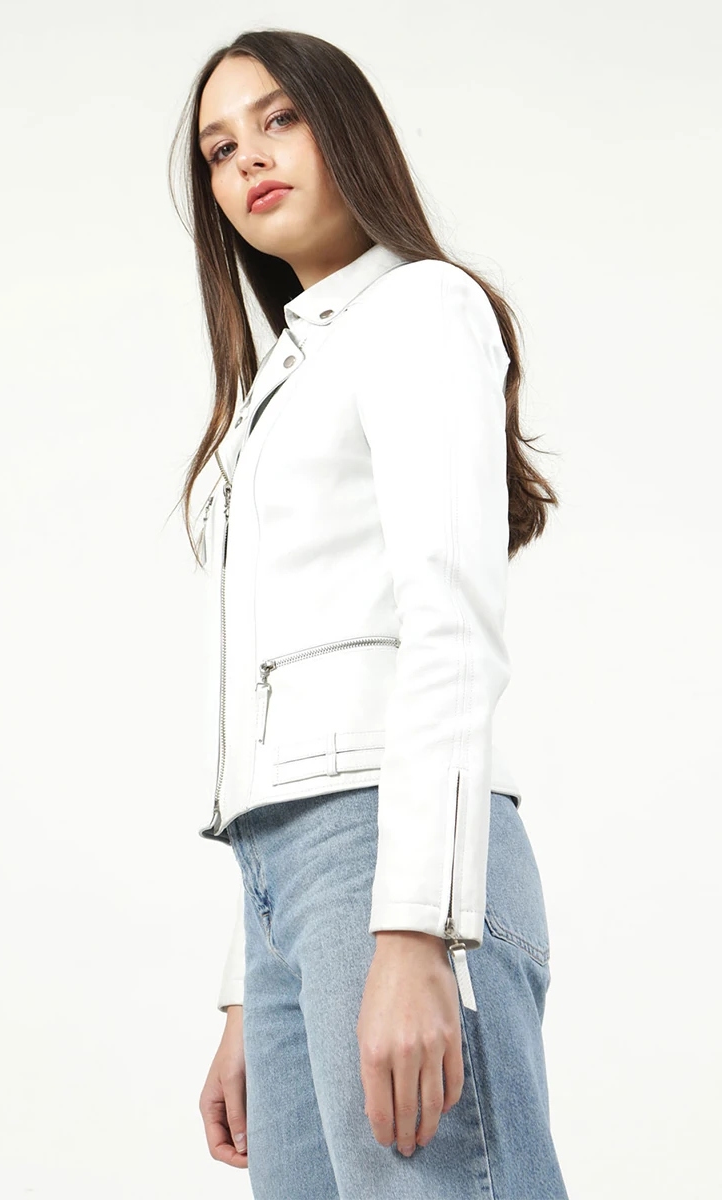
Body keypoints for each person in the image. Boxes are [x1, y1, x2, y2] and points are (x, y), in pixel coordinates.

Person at [169, 28, 570, 1200]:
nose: (249, 159)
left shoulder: (418, 307)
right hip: (284, 878)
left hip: (387, 856)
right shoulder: (280, 381)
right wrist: (248, 989)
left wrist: (413, 931)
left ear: (347, 129)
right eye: (219, 149)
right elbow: (273, 716)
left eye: (279, 120)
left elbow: (448, 628)